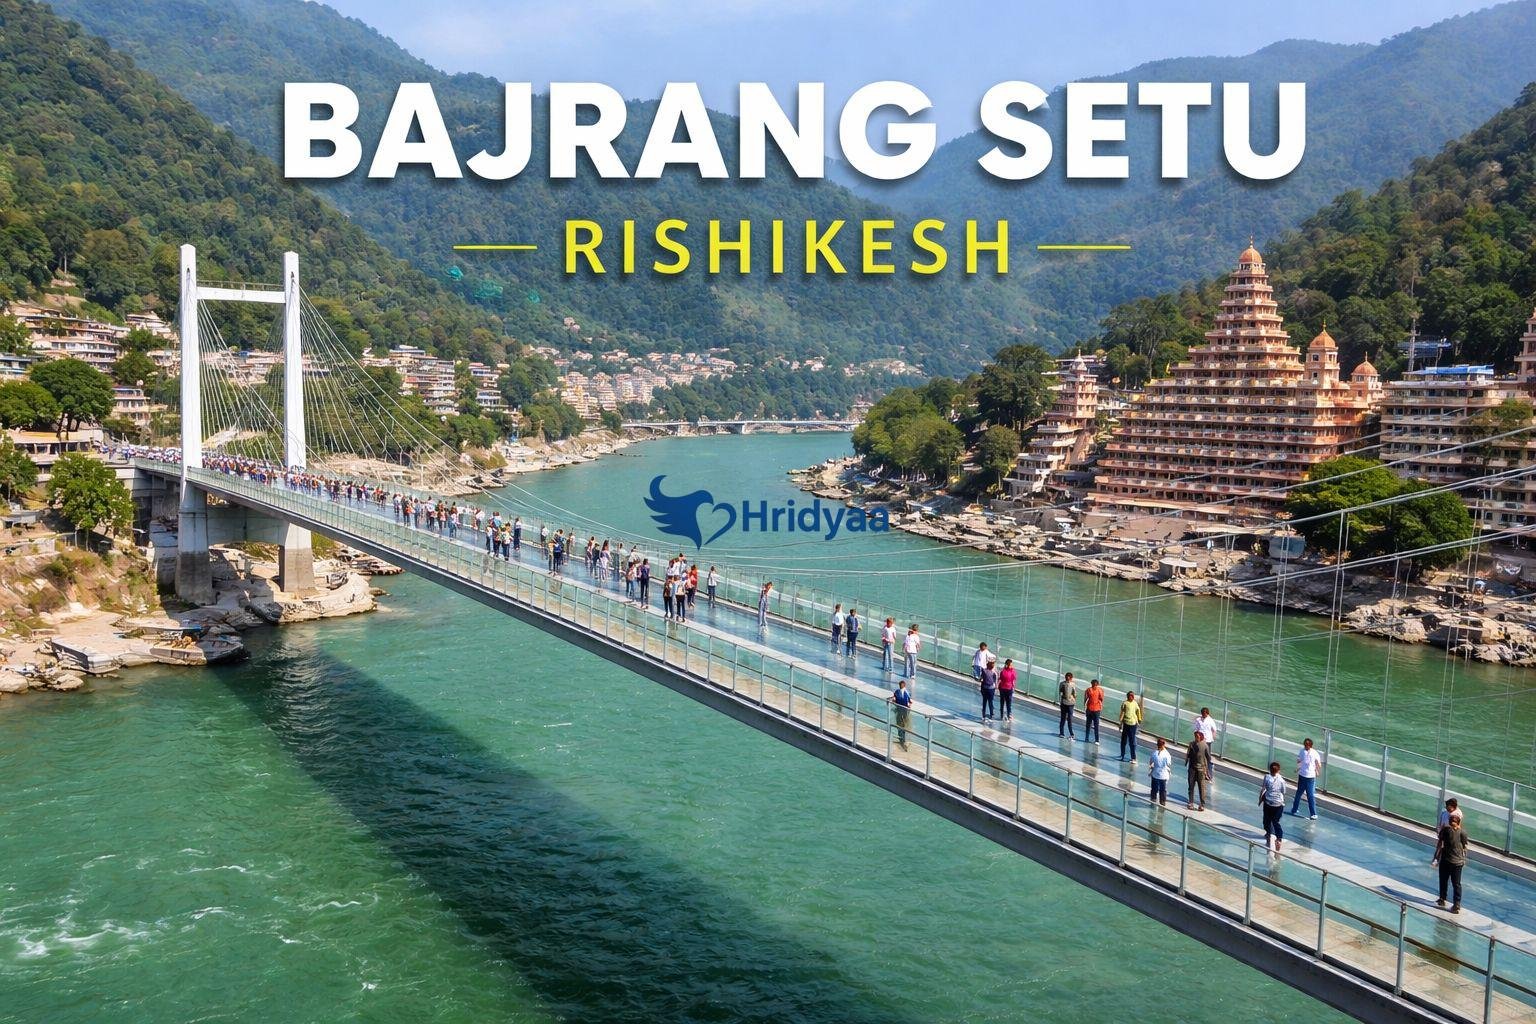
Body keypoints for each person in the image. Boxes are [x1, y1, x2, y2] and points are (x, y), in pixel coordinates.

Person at [1431, 809, 1468, 913]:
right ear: (1459, 822)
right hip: (1458, 862)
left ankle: (1442, 899)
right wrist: (1464, 859)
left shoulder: (1446, 830)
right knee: (1456, 883)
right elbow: (1465, 847)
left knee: (1444, 880)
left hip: (1446, 860)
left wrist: (1436, 857)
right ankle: (1457, 904)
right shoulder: (1463, 832)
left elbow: (1439, 843)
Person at [1290, 737, 1322, 819]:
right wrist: (1316, 769)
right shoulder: (1311, 752)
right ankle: (1296, 810)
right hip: (1305, 776)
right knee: (1305, 794)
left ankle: (1310, 813)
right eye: (1305, 744)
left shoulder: (1305, 752)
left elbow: (1299, 761)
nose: (1305, 746)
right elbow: (1318, 764)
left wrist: (1316, 769)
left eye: (1306, 745)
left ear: (1310, 745)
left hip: (1308, 776)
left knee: (1306, 795)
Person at [1260, 761, 1287, 853]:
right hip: (1278, 804)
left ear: (1270, 770)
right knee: (1276, 822)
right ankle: (1279, 838)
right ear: (1278, 770)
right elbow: (1283, 791)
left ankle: (1268, 833)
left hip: (1268, 803)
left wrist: (1260, 799)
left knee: (1266, 820)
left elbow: (1263, 789)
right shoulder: (1282, 780)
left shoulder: (1267, 777)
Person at [1186, 731, 1210, 811]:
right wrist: (1186, 762)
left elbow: (1208, 758)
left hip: (1201, 769)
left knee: (1201, 787)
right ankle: (1191, 802)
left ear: (1201, 737)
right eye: (1195, 736)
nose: (1196, 738)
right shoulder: (1191, 744)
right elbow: (1188, 754)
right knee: (1191, 786)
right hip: (1192, 768)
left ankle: (1202, 804)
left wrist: (1207, 771)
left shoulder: (1205, 746)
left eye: (1197, 736)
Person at [1118, 691, 1142, 762]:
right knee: (1123, 741)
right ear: (1128, 696)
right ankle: (1122, 754)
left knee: (1132, 742)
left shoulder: (1135, 704)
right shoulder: (1125, 703)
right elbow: (1122, 713)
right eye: (1130, 696)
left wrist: (1139, 719)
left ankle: (1133, 757)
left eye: (1132, 696)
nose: (1132, 697)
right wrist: (1120, 723)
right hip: (1126, 723)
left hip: (1133, 724)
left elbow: (1138, 711)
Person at [889, 679, 913, 749]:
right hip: (905, 711)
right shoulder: (906, 692)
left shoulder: (897, 692)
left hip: (900, 711)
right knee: (904, 725)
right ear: (904, 686)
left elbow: (894, 699)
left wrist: (892, 701)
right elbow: (910, 702)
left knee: (899, 725)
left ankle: (902, 739)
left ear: (899, 686)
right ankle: (903, 740)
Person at [1149, 738, 1171, 806]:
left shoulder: (1154, 753)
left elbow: (1151, 762)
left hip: (1155, 774)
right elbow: (1169, 764)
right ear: (1164, 745)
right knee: (1162, 790)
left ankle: (1153, 800)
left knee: (1154, 789)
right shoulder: (1167, 754)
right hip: (1163, 775)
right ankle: (1162, 802)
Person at [1084, 678, 1105, 744]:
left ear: (1097, 685)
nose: (1094, 686)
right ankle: (1086, 738)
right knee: (1088, 724)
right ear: (1091, 684)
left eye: (1095, 685)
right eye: (1093, 685)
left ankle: (1097, 740)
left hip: (1096, 709)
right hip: (1089, 709)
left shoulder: (1100, 690)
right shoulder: (1088, 690)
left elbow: (1101, 699)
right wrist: (1085, 707)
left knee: (1096, 725)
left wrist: (1099, 704)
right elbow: (1085, 698)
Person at [1058, 672, 1077, 739]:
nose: (1067, 679)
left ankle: (1071, 734)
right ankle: (1061, 733)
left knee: (1070, 719)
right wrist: (1061, 700)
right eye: (1066, 677)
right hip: (1064, 703)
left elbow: (1074, 693)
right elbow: (1060, 692)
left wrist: (1073, 700)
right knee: (1063, 718)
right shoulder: (1062, 684)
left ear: (1071, 678)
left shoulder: (1073, 684)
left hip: (1071, 704)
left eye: (1069, 678)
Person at [979, 655, 998, 721]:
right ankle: (986, 714)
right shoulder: (985, 671)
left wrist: (996, 687)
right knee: (987, 702)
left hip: (989, 688)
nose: (993, 665)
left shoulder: (993, 672)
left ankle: (990, 714)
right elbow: (981, 678)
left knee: (989, 702)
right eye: (992, 664)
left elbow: (995, 680)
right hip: (987, 688)